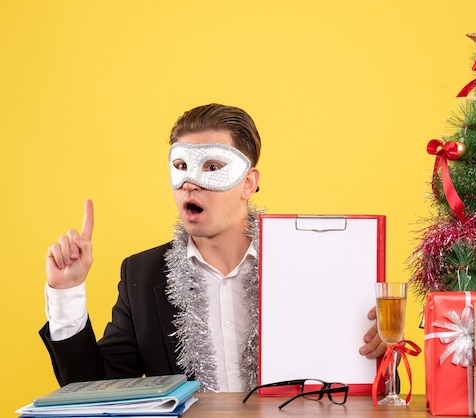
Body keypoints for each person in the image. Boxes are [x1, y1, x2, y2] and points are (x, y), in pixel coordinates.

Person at [40, 103, 387, 393]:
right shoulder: (142, 276)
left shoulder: (307, 261)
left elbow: (360, 387)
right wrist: (66, 294)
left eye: (212, 167)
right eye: (180, 167)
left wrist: (379, 359)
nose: (190, 182)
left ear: (247, 183)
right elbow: (93, 390)